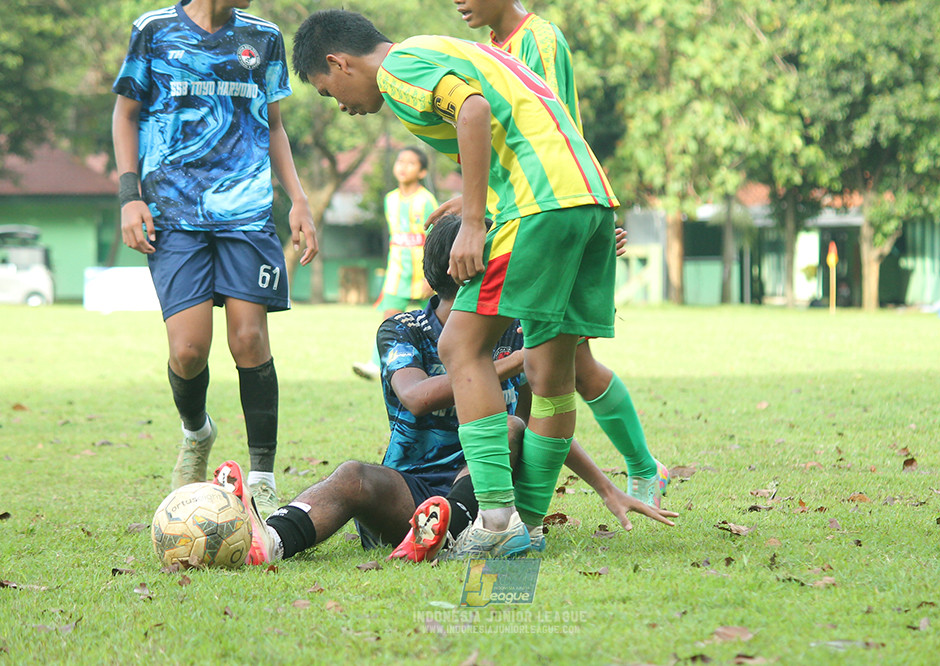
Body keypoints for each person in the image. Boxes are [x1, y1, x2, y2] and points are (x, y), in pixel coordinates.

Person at [291, 10, 624, 559]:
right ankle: (530, 524)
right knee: (551, 369)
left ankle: (495, 520)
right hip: (588, 195)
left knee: (459, 346)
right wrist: (487, 197)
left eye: (331, 93)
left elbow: (473, 110)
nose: (344, 108)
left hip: (538, 203)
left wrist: (474, 220)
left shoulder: (398, 69)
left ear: (339, 62)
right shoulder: (448, 50)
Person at [221, 214, 676, 565]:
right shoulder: (402, 329)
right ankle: (270, 538)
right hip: (408, 487)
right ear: (475, 273)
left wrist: (605, 488)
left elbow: (541, 429)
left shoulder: (516, 330)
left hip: (482, 493)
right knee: (352, 475)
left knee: (513, 427)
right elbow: (416, 397)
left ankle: (455, 531)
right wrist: (518, 361)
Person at [451, 0, 670, 507]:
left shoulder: (541, 39)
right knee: (566, 364)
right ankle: (534, 519)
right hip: (532, 213)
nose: (458, 2)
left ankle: (517, 523)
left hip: (553, 210)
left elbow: (558, 130)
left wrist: (585, 217)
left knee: (563, 364)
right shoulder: (490, 49)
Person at [111, 0, 318, 517]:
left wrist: (299, 199)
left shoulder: (264, 37)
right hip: (172, 210)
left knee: (249, 339)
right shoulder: (154, 29)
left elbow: (273, 125)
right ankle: (196, 432)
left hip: (246, 211)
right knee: (187, 350)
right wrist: (128, 196)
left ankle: (264, 476)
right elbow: (126, 112)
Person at [352, 146, 438, 380]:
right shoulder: (390, 199)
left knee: (435, 320)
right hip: (397, 272)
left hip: (423, 273)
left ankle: (441, 364)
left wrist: (431, 276)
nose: (403, 166)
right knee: (389, 319)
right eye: (400, 161)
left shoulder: (426, 200)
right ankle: (377, 364)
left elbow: (434, 237)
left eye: (411, 163)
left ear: (422, 172)